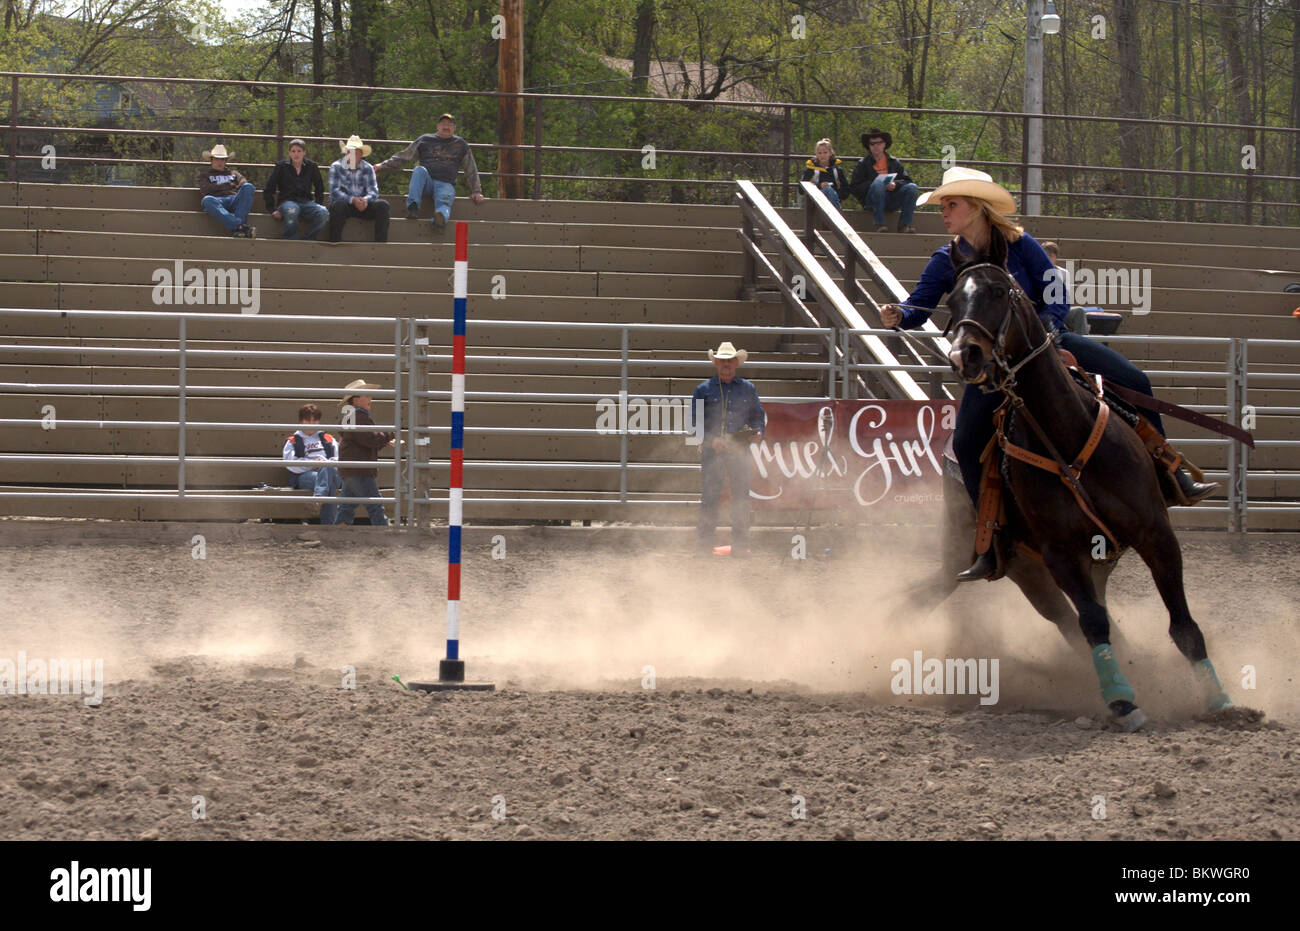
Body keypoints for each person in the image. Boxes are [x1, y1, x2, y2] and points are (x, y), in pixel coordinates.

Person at [878, 166, 1216, 580]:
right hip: (996, 368)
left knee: (1134, 380)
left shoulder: (1021, 246)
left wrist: (1052, 333)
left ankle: (1169, 474)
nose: (944, 212)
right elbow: (921, 304)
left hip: (1046, 344)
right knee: (967, 443)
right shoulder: (946, 259)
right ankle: (992, 540)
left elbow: (1055, 292)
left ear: (977, 208)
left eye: (951, 204)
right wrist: (899, 314)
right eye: (943, 205)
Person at [691, 342, 766, 557]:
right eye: (722, 361)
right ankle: (704, 546)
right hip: (712, 451)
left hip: (739, 449)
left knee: (741, 498)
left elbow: (757, 416)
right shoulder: (702, 390)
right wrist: (711, 439)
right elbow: (694, 423)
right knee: (710, 497)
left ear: (736, 363)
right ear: (716, 363)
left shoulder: (748, 389)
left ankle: (740, 546)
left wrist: (758, 431)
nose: (726, 365)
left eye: (729, 361)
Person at [375, 113, 485, 232]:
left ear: (454, 128)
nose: (446, 127)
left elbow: (470, 168)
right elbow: (404, 156)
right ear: (437, 126)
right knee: (418, 170)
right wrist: (382, 166)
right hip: (426, 182)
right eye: (443, 124)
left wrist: (476, 191)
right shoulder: (425, 139)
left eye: (450, 125)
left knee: (444, 204)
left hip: (446, 183)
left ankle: (439, 219)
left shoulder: (461, 145)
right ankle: (413, 207)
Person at [334, 379, 394, 526]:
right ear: (355, 400)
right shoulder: (359, 417)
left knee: (347, 507)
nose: (369, 398)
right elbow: (369, 439)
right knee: (375, 505)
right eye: (366, 395)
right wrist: (390, 434)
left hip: (350, 469)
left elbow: (364, 442)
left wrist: (381, 441)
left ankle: (338, 534)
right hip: (360, 470)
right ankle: (384, 535)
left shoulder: (350, 416)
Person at [849, 128, 919, 233]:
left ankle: (904, 225)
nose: (875, 146)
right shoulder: (863, 164)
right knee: (878, 184)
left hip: (892, 199)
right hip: (872, 202)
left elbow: (907, 180)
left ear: (884, 144)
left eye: (878, 143)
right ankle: (880, 224)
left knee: (912, 187)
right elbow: (854, 188)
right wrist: (875, 184)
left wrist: (895, 184)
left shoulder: (894, 162)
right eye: (872, 144)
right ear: (869, 146)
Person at [282, 403, 341, 524]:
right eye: (308, 420)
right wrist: (312, 464)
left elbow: (340, 459)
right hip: (307, 476)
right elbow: (290, 463)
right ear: (301, 421)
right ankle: (328, 526)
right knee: (328, 483)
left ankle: (319, 498)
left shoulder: (328, 438)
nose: (311, 423)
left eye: (315, 420)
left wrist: (324, 464)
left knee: (327, 470)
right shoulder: (293, 440)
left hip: (331, 473)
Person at [328, 135, 390, 243]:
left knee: (383, 206)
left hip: (363, 204)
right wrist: (353, 200)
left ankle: (380, 243)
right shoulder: (336, 166)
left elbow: (373, 191)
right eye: (348, 152)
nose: (350, 156)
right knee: (337, 206)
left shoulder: (368, 168)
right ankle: (335, 241)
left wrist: (365, 200)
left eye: (354, 153)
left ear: (361, 155)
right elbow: (334, 191)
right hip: (345, 204)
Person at [264, 138, 328, 241]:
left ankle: (309, 239)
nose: (296, 154)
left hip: (306, 202)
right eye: (293, 151)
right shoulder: (281, 166)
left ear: (304, 152)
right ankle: (289, 241)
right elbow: (269, 188)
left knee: (323, 212)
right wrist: (272, 209)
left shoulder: (312, 166)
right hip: (287, 202)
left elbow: (319, 187)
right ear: (289, 153)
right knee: (292, 210)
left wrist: (318, 203)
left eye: (299, 151)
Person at [198, 144, 256, 238]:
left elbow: (244, 183)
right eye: (217, 159)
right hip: (217, 201)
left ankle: (239, 227)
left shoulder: (234, 173)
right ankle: (240, 227)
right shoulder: (205, 175)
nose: (220, 162)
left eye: (222, 159)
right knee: (207, 200)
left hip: (234, 199)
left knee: (249, 187)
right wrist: (229, 185)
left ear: (226, 161)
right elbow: (206, 190)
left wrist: (217, 186)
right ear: (211, 160)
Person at [800, 138, 851, 212]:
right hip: (815, 200)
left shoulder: (837, 170)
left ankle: (835, 214)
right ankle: (837, 216)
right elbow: (801, 189)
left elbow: (846, 190)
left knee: (830, 191)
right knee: (827, 190)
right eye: (819, 153)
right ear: (816, 154)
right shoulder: (811, 169)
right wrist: (819, 186)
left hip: (833, 200)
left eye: (825, 152)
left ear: (830, 153)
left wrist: (836, 194)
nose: (822, 155)